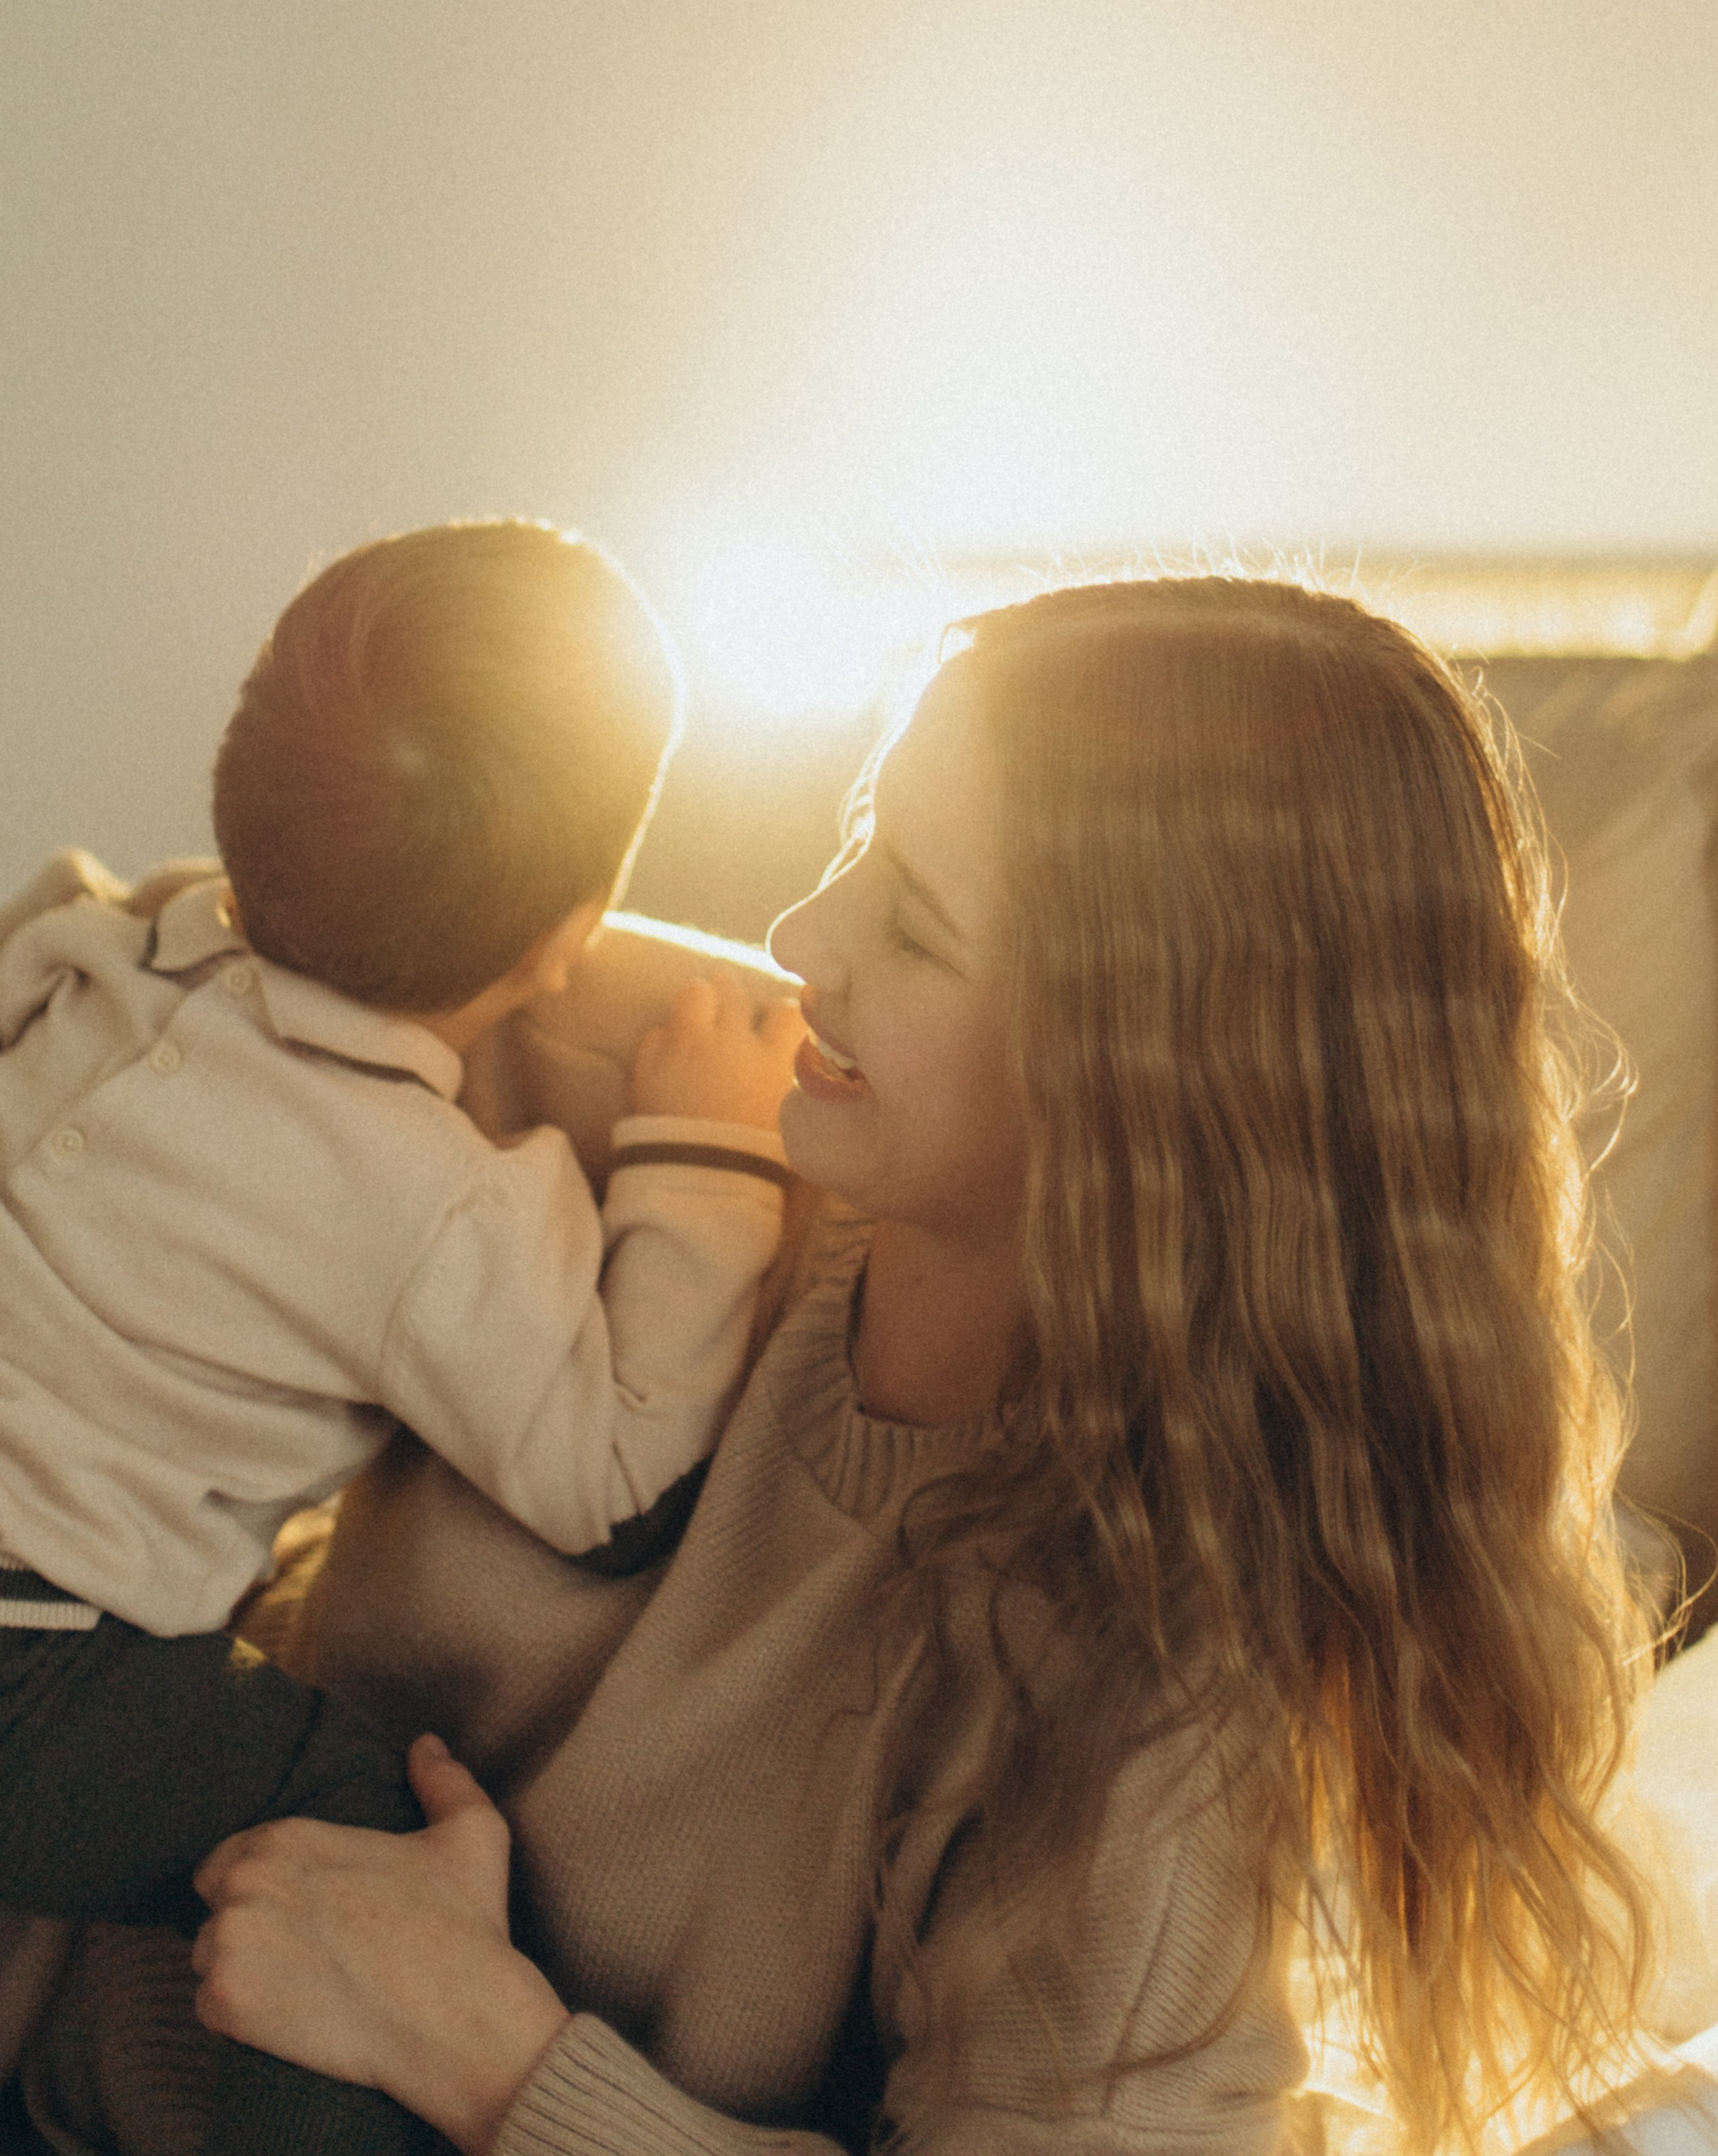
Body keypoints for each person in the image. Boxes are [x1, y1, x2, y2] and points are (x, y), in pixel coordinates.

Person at [39, 575, 1659, 2155]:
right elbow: (149, 967)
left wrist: (491, 2058)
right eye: (860, 840)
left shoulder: (1153, 1723)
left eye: (917, 925)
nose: (796, 935)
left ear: (1142, 1087)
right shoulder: (687, 1076)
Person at [0, 520, 803, 2156]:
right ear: (564, 938)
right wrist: (705, 1153)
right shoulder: (435, 1203)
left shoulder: (89, 947)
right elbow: (614, 1482)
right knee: (354, 1844)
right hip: (33, 1670)